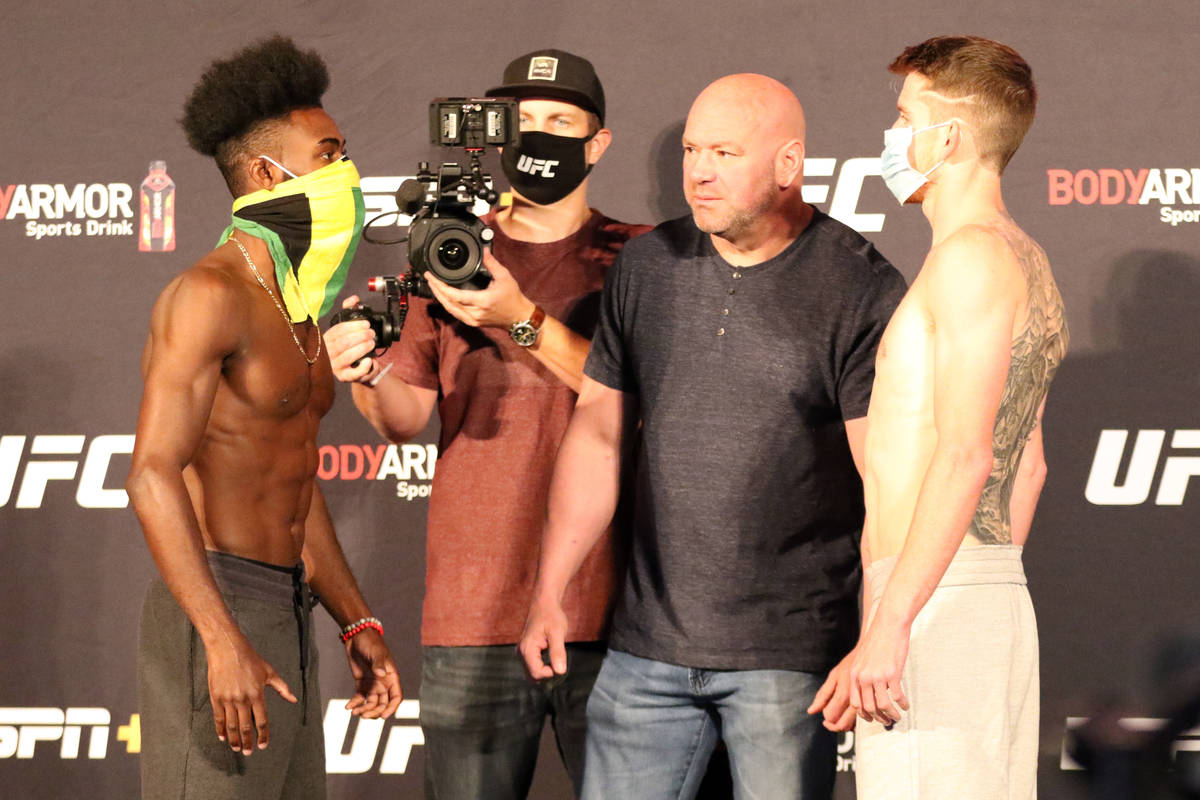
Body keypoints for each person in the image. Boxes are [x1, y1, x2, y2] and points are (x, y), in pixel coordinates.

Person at [518, 73, 906, 800]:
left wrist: (882, 628)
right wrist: (550, 590)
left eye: (724, 152)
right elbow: (598, 433)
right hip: (643, 654)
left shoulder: (860, 288)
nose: (697, 171)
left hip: (787, 659)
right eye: (693, 149)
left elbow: (885, 481)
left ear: (789, 165)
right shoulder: (647, 267)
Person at [323, 49, 649, 799]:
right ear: (496, 138)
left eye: (561, 122)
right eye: (522, 122)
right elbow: (403, 418)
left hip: (616, 614)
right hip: (474, 614)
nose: (539, 137)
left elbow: (647, 398)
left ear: (597, 143)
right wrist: (365, 372)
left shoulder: (640, 256)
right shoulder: (443, 253)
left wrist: (521, 321)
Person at [126, 36, 402, 800]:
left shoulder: (301, 311)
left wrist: (353, 619)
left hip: (289, 605)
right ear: (263, 174)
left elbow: (297, 480)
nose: (347, 173)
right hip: (214, 607)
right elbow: (150, 474)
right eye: (329, 155)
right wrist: (220, 642)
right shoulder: (208, 295)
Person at [807, 35, 1069, 799]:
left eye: (903, 117)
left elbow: (967, 456)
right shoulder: (1026, 261)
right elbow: (1033, 464)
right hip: (977, 586)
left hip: (929, 598)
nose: (892, 138)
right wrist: (975, 593)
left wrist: (892, 622)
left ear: (947, 136)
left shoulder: (967, 261)